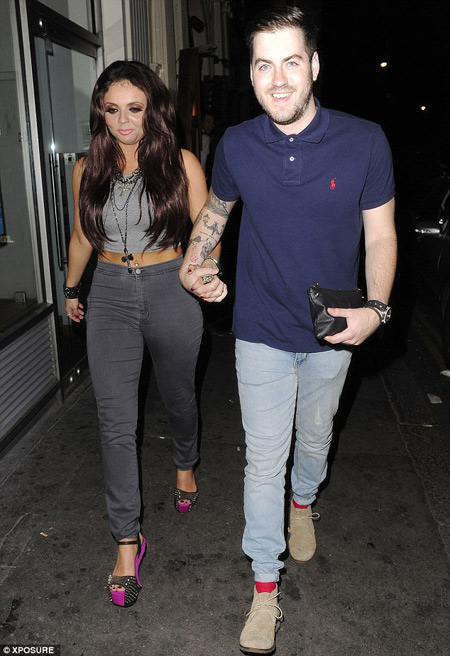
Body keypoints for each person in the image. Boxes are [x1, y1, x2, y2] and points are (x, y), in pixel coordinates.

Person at [179, 6, 397, 653]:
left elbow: (381, 236)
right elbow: (215, 215)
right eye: (263, 65)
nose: (277, 80)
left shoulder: (365, 142)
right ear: (250, 73)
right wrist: (194, 263)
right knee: (262, 460)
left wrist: (377, 309)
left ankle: (305, 501)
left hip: (333, 330)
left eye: (291, 62)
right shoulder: (238, 145)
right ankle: (265, 588)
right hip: (260, 330)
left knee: (315, 444)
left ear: (314, 66)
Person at [63, 60, 226, 609]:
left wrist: (205, 273)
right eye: (112, 110)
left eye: (134, 108)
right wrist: (72, 287)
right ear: (101, 113)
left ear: (153, 109)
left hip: (170, 286)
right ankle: (127, 543)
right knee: (115, 421)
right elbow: (82, 236)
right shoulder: (86, 167)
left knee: (179, 397)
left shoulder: (181, 163)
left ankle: (185, 461)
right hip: (109, 290)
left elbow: (207, 231)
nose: (123, 120)